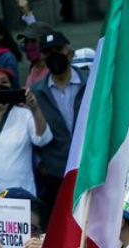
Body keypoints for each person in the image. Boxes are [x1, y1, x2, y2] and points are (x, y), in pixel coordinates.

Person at [31, 31, 86, 211]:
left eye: (58, 49)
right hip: (55, 173)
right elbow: (31, 128)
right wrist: (40, 162)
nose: (54, 55)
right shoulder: (35, 92)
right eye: (48, 52)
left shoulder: (91, 83)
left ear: (69, 52)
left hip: (89, 166)